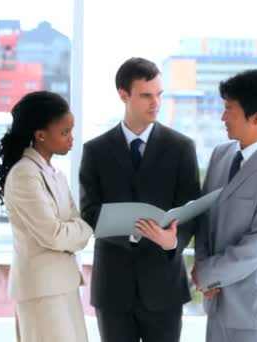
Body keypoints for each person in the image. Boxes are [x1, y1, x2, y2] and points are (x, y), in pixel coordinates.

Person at [79, 57, 201, 342]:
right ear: (124, 95)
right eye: (146, 95)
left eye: (159, 94)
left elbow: (191, 211)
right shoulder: (95, 151)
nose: (155, 103)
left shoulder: (181, 148)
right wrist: (133, 231)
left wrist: (173, 241)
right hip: (113, 288)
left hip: (164, 287)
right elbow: (89, 214)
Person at [191, 69, 257, 342]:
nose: (222, 117)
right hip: (216, 304)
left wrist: (208, 274)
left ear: (256, 117)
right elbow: (204, 218)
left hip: (254, 312)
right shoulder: (220, 155)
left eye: (229, 109)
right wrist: (202, 266)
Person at [0, 91, 92, 342]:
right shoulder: (24, 175)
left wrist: (77, 229)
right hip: (41, 292)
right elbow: (55, 235)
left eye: (71, 131)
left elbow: (75, 226)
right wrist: (81, 229)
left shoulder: (56, 174)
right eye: (64, 132)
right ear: (40, 135)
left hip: (64, 286)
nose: (71, 139)